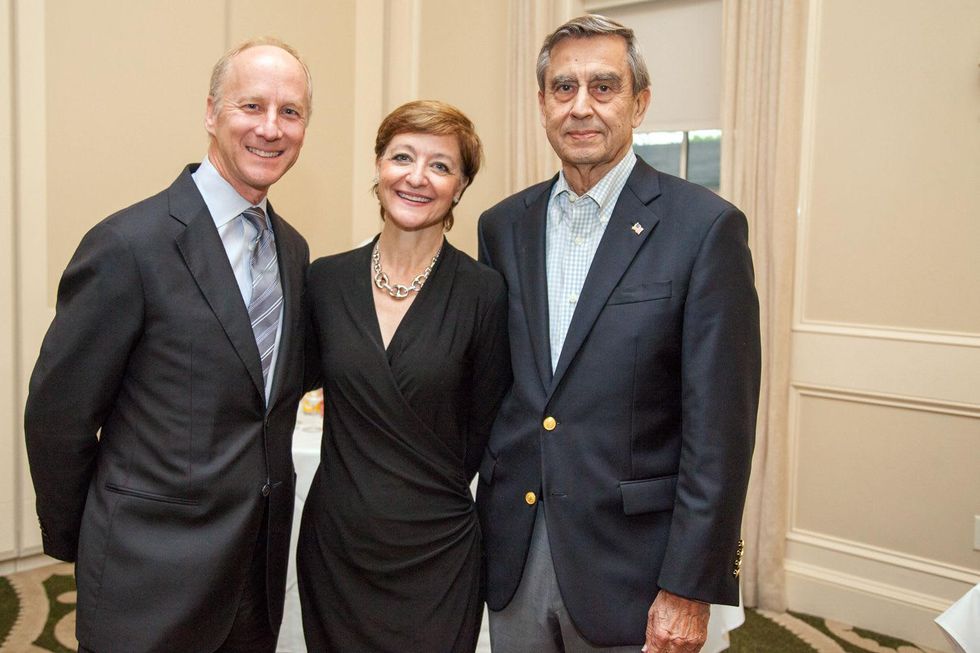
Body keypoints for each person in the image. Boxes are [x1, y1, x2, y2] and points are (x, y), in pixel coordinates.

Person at [476, 15, 761, 653]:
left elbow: (721, 432)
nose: (581, 106)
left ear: (640, 103)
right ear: (543, 103)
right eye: (563, 87)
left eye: (603, 87)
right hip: (516, 551)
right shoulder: (503, 226)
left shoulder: (704, 228)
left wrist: (689, 586)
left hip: (636, 566)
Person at [24, 37, 313, 653]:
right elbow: (58, 415)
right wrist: (91, 539)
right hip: (146, 580)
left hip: (253, 579)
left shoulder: (292, 249)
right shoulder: (129, 245)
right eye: (251, 106)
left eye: (290, 112)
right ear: (210, 112)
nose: (271, 128)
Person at [296, 100, 510, 652]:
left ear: (460, 187)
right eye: (402, 157)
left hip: (437, 556)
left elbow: (484, 431)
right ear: (378, 166)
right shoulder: (324, 282)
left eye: (440, 166)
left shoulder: (485, 294)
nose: (417, 177)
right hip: (336, 550)